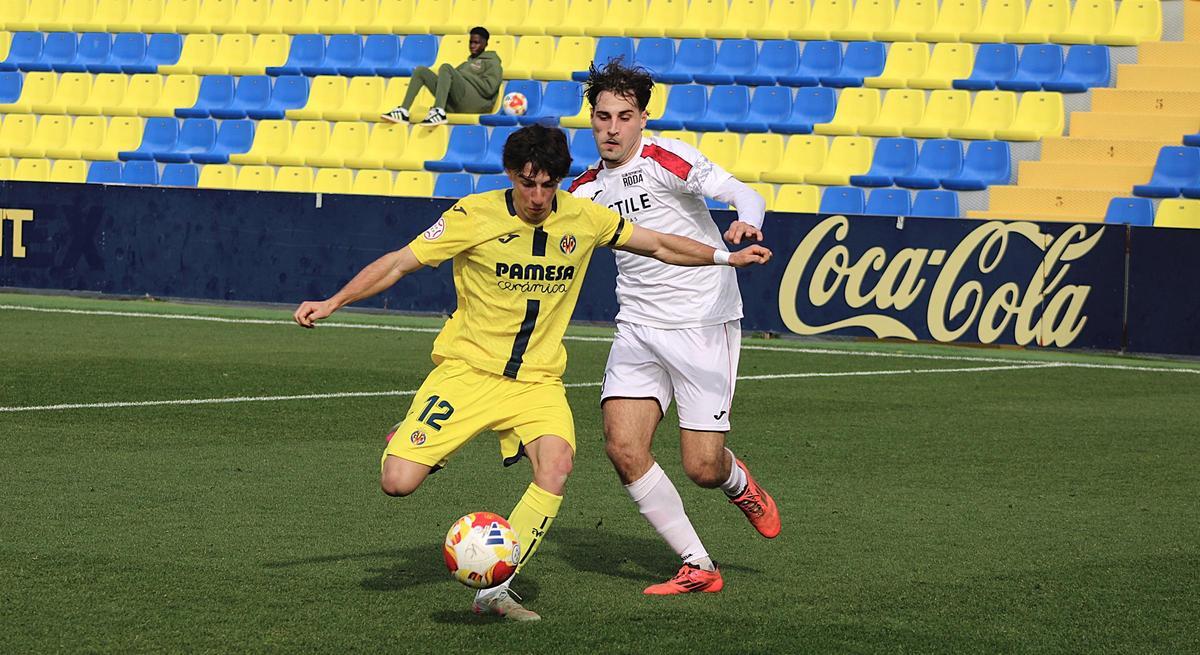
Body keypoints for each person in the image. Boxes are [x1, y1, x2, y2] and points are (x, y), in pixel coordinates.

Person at [293, 125, 771, 621]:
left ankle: (496, 587)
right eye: (528, 183)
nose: (538, 197)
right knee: (397, 482)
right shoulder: (471, 215)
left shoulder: (585, 217)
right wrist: (333, 302)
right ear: (510, 175)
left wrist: (725, 257)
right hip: (468, 373)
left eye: (548, 185)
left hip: (537, 383)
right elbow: (398, 264)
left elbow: (659, 244)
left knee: (557, 465)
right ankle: (413, 442)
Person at [567, 60, 781, 596]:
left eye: (624, 117)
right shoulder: (583, 191)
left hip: (703, 320)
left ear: (643, 119)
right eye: (602, 117)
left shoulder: (668, 158)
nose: (612, 129)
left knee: (702, 468)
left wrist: (748, 221)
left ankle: (737, 482)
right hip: (638, 327)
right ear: (591, 121)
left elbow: (746, 194)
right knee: (623, 448)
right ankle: (697, 564)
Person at [381, 26, 502, 126]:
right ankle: (403, 111)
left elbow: (489, 89)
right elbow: (450, 84)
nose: (472, 46)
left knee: (445, 67)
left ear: (485, 43)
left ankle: (439, 111)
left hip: (475, 104)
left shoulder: (492, 62)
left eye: (476, 42)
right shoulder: (466, 64)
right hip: (457, 103)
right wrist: (462, 74)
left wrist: (465, 75)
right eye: (471, 42)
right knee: (420, 71)